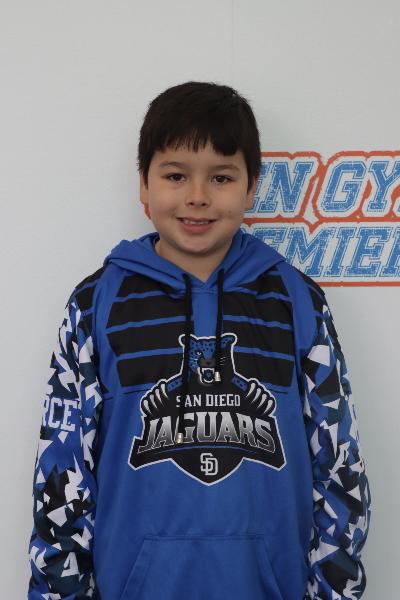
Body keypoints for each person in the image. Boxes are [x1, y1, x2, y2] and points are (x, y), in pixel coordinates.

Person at [28, 82, 370, 600]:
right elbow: (62, 472)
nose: (197, 196)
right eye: (175, 175)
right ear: (143, 184)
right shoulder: (97, 304)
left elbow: (339, 463)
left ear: (251, 188)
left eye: (221, 177)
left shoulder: (297, 301)